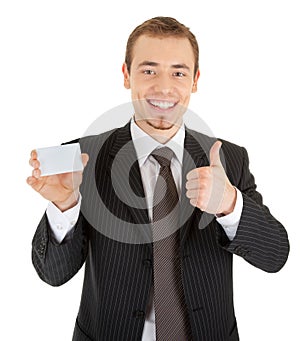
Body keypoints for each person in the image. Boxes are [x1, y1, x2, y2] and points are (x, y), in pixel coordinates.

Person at [27, 16, 289, 341]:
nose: (164, 87)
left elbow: (275, 256)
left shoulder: (229, 159)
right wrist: (64, 204)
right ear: (126, 75)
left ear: (195, 80)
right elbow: (53, 275)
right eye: (149, 70)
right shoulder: (81, 158)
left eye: (178, 72)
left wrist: (230, 205)